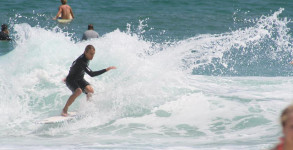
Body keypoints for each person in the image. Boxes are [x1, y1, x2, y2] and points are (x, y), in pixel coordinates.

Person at [62, 45, 116, 116]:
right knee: (78, 91)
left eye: (93, 54)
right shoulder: (81, 61)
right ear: (85, 52)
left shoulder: (86, 58)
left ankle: (87, 108)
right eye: (90, 54)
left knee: (90, 90)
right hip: (71, 80)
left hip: (79, 79)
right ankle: (65, 109)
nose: (92, 56)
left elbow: (73, 64)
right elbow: (91, 74)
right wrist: (106, 69)